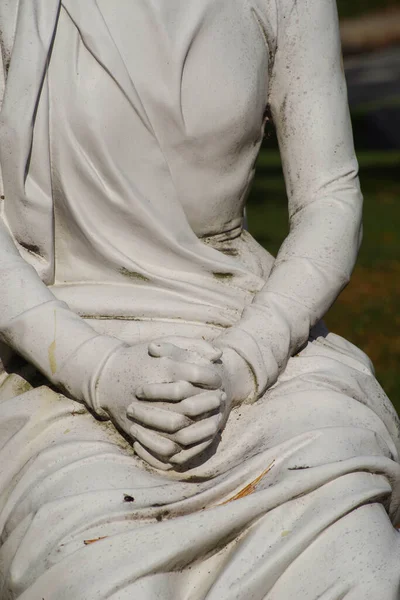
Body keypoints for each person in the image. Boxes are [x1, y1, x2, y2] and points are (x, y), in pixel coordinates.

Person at [0, 1, 399, 598]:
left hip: (243, 333)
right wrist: (101, 371)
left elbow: (331, 198)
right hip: (64, 348)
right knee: (101, 572)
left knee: (356, 554)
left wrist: (243, 360)